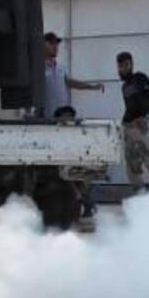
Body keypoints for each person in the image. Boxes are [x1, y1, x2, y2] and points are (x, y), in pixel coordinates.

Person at [116, 51, 149, 188]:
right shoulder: (124, 87)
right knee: (133, 167)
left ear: (131, 65)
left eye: (126, 65)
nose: (123, 69)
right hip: (129, 130)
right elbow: (131, 107)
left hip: (142, 130)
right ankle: (139, 199)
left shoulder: (139, 78)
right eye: (120, 66)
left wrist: (146, 115)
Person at [54, 105, 96, 233]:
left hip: (76, 168)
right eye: (64, 118)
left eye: (69, 118)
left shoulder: (81, 133)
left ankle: (86, 209)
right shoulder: (52, 134)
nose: (67, 121)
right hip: (59, 169)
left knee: (81, 183)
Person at [44, 32, 104, 117]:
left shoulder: (61, 67)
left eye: (56, 44)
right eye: (52, 43)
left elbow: (70, 82)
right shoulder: (37, 69)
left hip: (62, 117)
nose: (55, 47)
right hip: (46, 118)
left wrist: (93, 86)